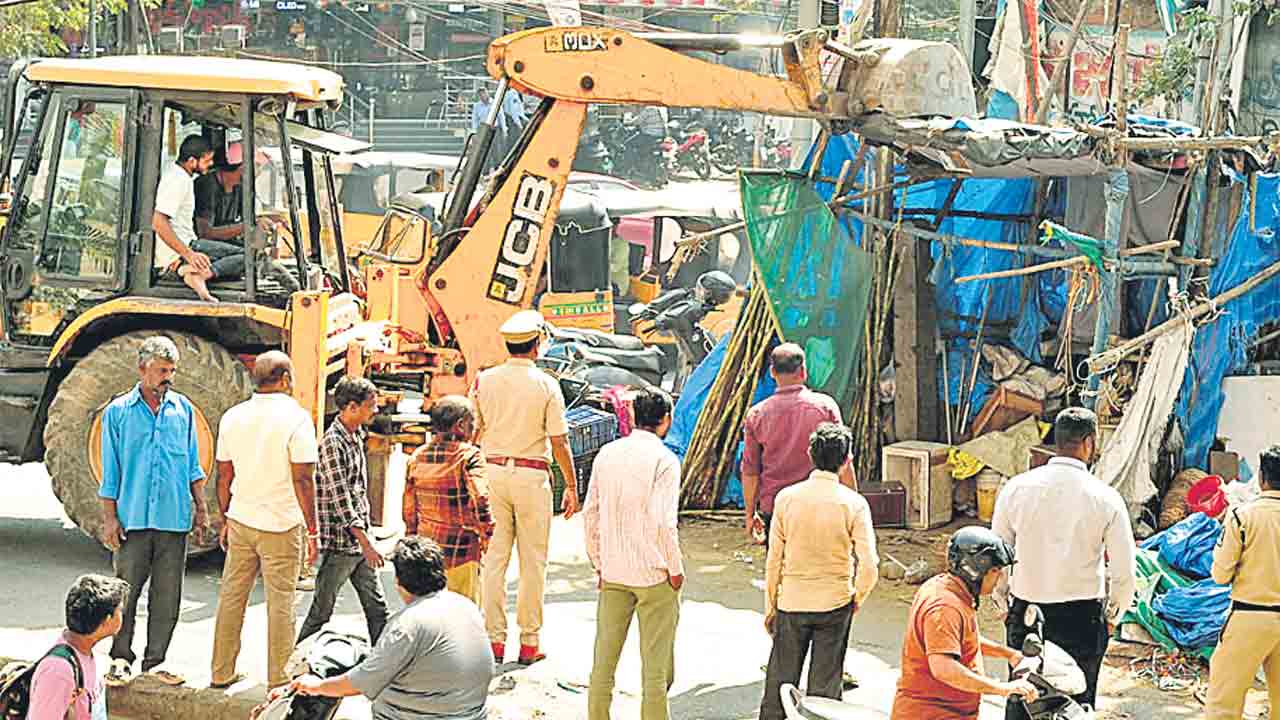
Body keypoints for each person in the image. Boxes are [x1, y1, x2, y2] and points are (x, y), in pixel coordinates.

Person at [992, 407, 1137, 716]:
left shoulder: (1016, 489)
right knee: (1076, 703)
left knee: (1022, 697)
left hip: (1027, 611)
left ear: (1056, 441)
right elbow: (1124, 572)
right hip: (1081, 617)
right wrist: (1112, 616)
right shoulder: (1105, 497)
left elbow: (999, 554)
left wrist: (1003, 603)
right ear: (1089, 443)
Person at [98, 336, 207, 688]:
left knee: (167, 595)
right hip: (132, 520)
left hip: (173, 520)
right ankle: (120, 657)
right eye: (162, 370)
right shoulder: (117, 412)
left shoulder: (183, 410)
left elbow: (192, 464)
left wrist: (202, 509)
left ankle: (156, 660)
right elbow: (110, 472)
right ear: (142, 368)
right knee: (123, 593)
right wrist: (109, 518)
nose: (167, 377)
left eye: (171, 370)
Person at [471, 309, 579, 666]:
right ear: (537, 345)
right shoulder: (547, 384)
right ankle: (530, 643)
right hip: (532, 478)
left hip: (493, 474)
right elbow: (559, 441)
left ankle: (494, 642)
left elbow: (475, 432)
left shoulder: (484, 380)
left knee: (493, 561)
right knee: (534, 563)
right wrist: (572, 486)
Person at [210, 351, 320, 690]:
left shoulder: (233, 416)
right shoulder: (297, 419)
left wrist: (225, 517)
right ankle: (279, 680)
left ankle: (221, 671)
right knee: (281, 603)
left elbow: (223, 476)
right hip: (281, 524)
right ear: (285, 379)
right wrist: (313, 530)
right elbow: (304, 479)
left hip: (242, 518)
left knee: (231, 597)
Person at [289, 537, 491, 720]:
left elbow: (361, 681)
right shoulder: (466, 605)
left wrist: (314, 686)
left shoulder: (408, 625)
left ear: (399, 582)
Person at [759, 422, 878, 720]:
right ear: (846, 459)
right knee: (824, 698)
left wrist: (771, 606)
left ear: (810, 454)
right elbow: (869, 565)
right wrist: (856, 598)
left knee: (779, 688)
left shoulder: (786, 498)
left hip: (791, 602)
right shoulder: (854, 504)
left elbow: (774, 560)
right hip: (835, 603)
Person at [583, 388, 683, 720]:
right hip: (655, 575)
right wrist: (675, 568)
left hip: (613, 573)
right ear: (665, 420)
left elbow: (591, 514)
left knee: (603, 664)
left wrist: (599, 562)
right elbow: (665, 523)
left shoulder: (606, 454)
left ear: (633, 417)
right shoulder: (665, 460)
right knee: (654, 673)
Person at [890, 527, 1038, 719]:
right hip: (933, 713)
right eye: (995, 570)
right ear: (974, 571)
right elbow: (943, 668)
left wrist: (1009, 654)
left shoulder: (948, 588)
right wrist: (1002, 689)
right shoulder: (945, 608)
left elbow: (961, 639)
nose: (1000, 577)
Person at [297, 377, 391, 645]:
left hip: (359, 543)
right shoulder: (333, 443)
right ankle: (294, 665)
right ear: (351, 407)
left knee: (378, 609)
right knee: (321, 612)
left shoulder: (356, 434)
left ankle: (385, 667)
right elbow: (342, 501)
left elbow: (357, 492)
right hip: (342, 545)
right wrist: (366, 543)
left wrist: (366, 540)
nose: (375, 410)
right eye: (370, 405)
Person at [742, 343, 854, 547]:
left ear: (772, 372)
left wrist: (750, 514)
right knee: (821, 568)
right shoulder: (825, 407)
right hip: (821, 504)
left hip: (776, 508)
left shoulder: (757, 415)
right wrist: (853, 506)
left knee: (779, 566)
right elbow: (844, 461)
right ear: (803, 371)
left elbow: (750, 470)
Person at [1204, 445, 1280, 720]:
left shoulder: (1242, 517)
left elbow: (1220, 575)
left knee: (1224, 705)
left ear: (1262, 478)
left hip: (1250, 616)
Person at [403, 395, 494, 605]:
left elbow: (409, 509)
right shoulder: (469, 456)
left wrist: (412, 539)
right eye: (472, 424)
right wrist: (486, 532)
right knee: (463, 619)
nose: (473, 430)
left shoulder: (417, 457)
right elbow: (479, 497)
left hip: (427, 554)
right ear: (461, 425)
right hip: (461, 551)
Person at [26, 575, 129, 720]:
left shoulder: (90, 655)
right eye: (120, 610)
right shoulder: (58, 672)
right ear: (106, 620)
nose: (122, 615)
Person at [153, 135, 224, 302]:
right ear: (192, 161)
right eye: (207, 160)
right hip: (185, 246)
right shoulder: (177, 180)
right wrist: (189, 254)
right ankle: (196, 273)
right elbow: (158, 221)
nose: (211, 164)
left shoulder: (181, 177)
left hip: (187, 244)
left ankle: (188, 270)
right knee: (245, 257)